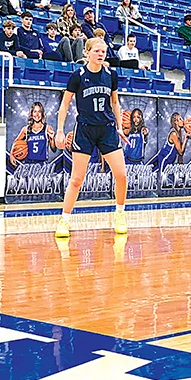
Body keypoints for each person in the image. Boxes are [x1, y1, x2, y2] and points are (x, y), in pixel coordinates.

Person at [54, 37, 128, 238]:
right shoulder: (77, 76)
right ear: (87, 53)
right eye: (96, 51)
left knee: (121, 175)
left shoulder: (111, 75)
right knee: (77, 179)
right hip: (85, 130)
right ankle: (64, 220)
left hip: (107, 129)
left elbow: (115, 103)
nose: (101, 54)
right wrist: (60, 130)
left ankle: (120, 214)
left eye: (103, 51)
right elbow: (65, 105)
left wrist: (120, 127)